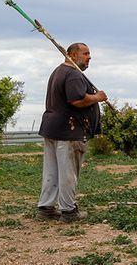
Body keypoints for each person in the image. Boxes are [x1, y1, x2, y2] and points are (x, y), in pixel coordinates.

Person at [36, 42, 107, 222]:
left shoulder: (59, 71)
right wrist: (98, 97)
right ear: (73, 55)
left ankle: (46, 207)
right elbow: (77, 100)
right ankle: (68, 211)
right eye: (85, 53)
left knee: (52, 171)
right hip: (70, 130)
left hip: (52, 128)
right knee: (68, 172)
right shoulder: (74, 75)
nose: (89, 57)